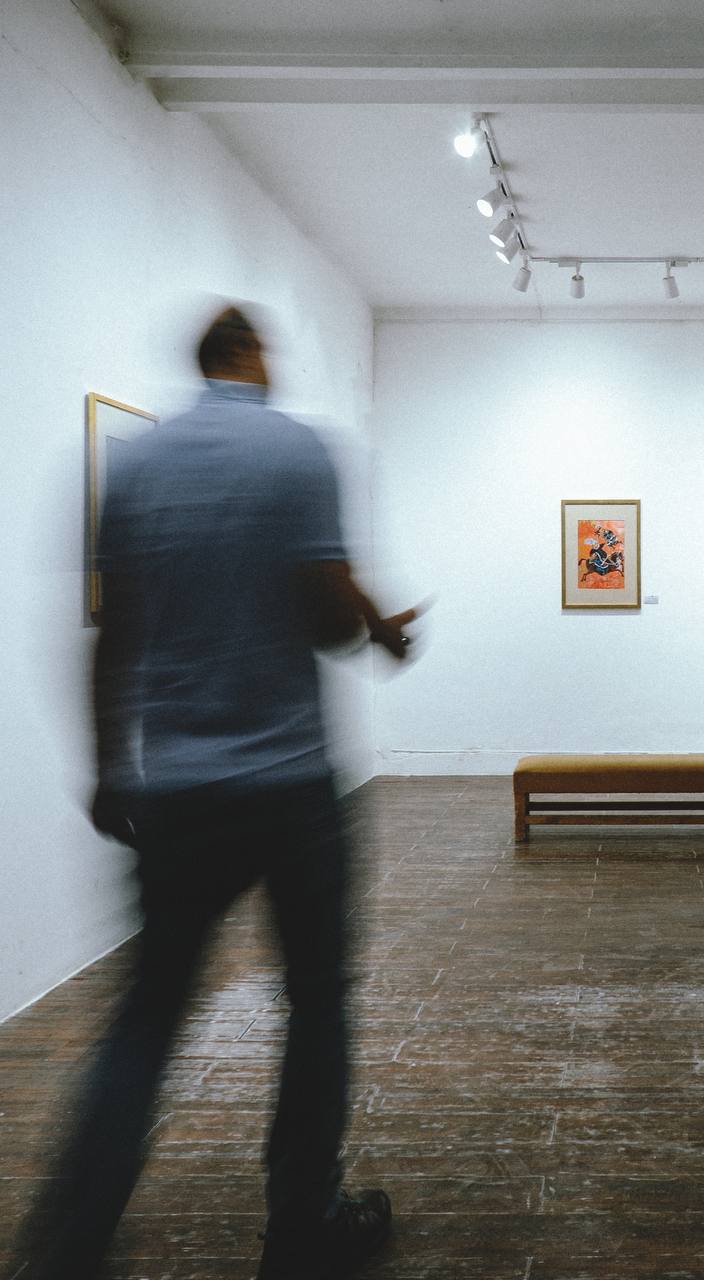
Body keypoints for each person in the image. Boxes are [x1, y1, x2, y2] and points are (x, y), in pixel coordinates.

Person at [22, 306, 414, 1280]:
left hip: (174, 789)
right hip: (289, 785)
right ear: (244, 354)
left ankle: (69, 1244)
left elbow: (112, 632)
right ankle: (301, 1225)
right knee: (314, 1003)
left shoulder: (138, 466)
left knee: (147, 1014)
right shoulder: (297, 450)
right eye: (267, 350)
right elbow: (328, 609)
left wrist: (108, 766)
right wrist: (380, 630)